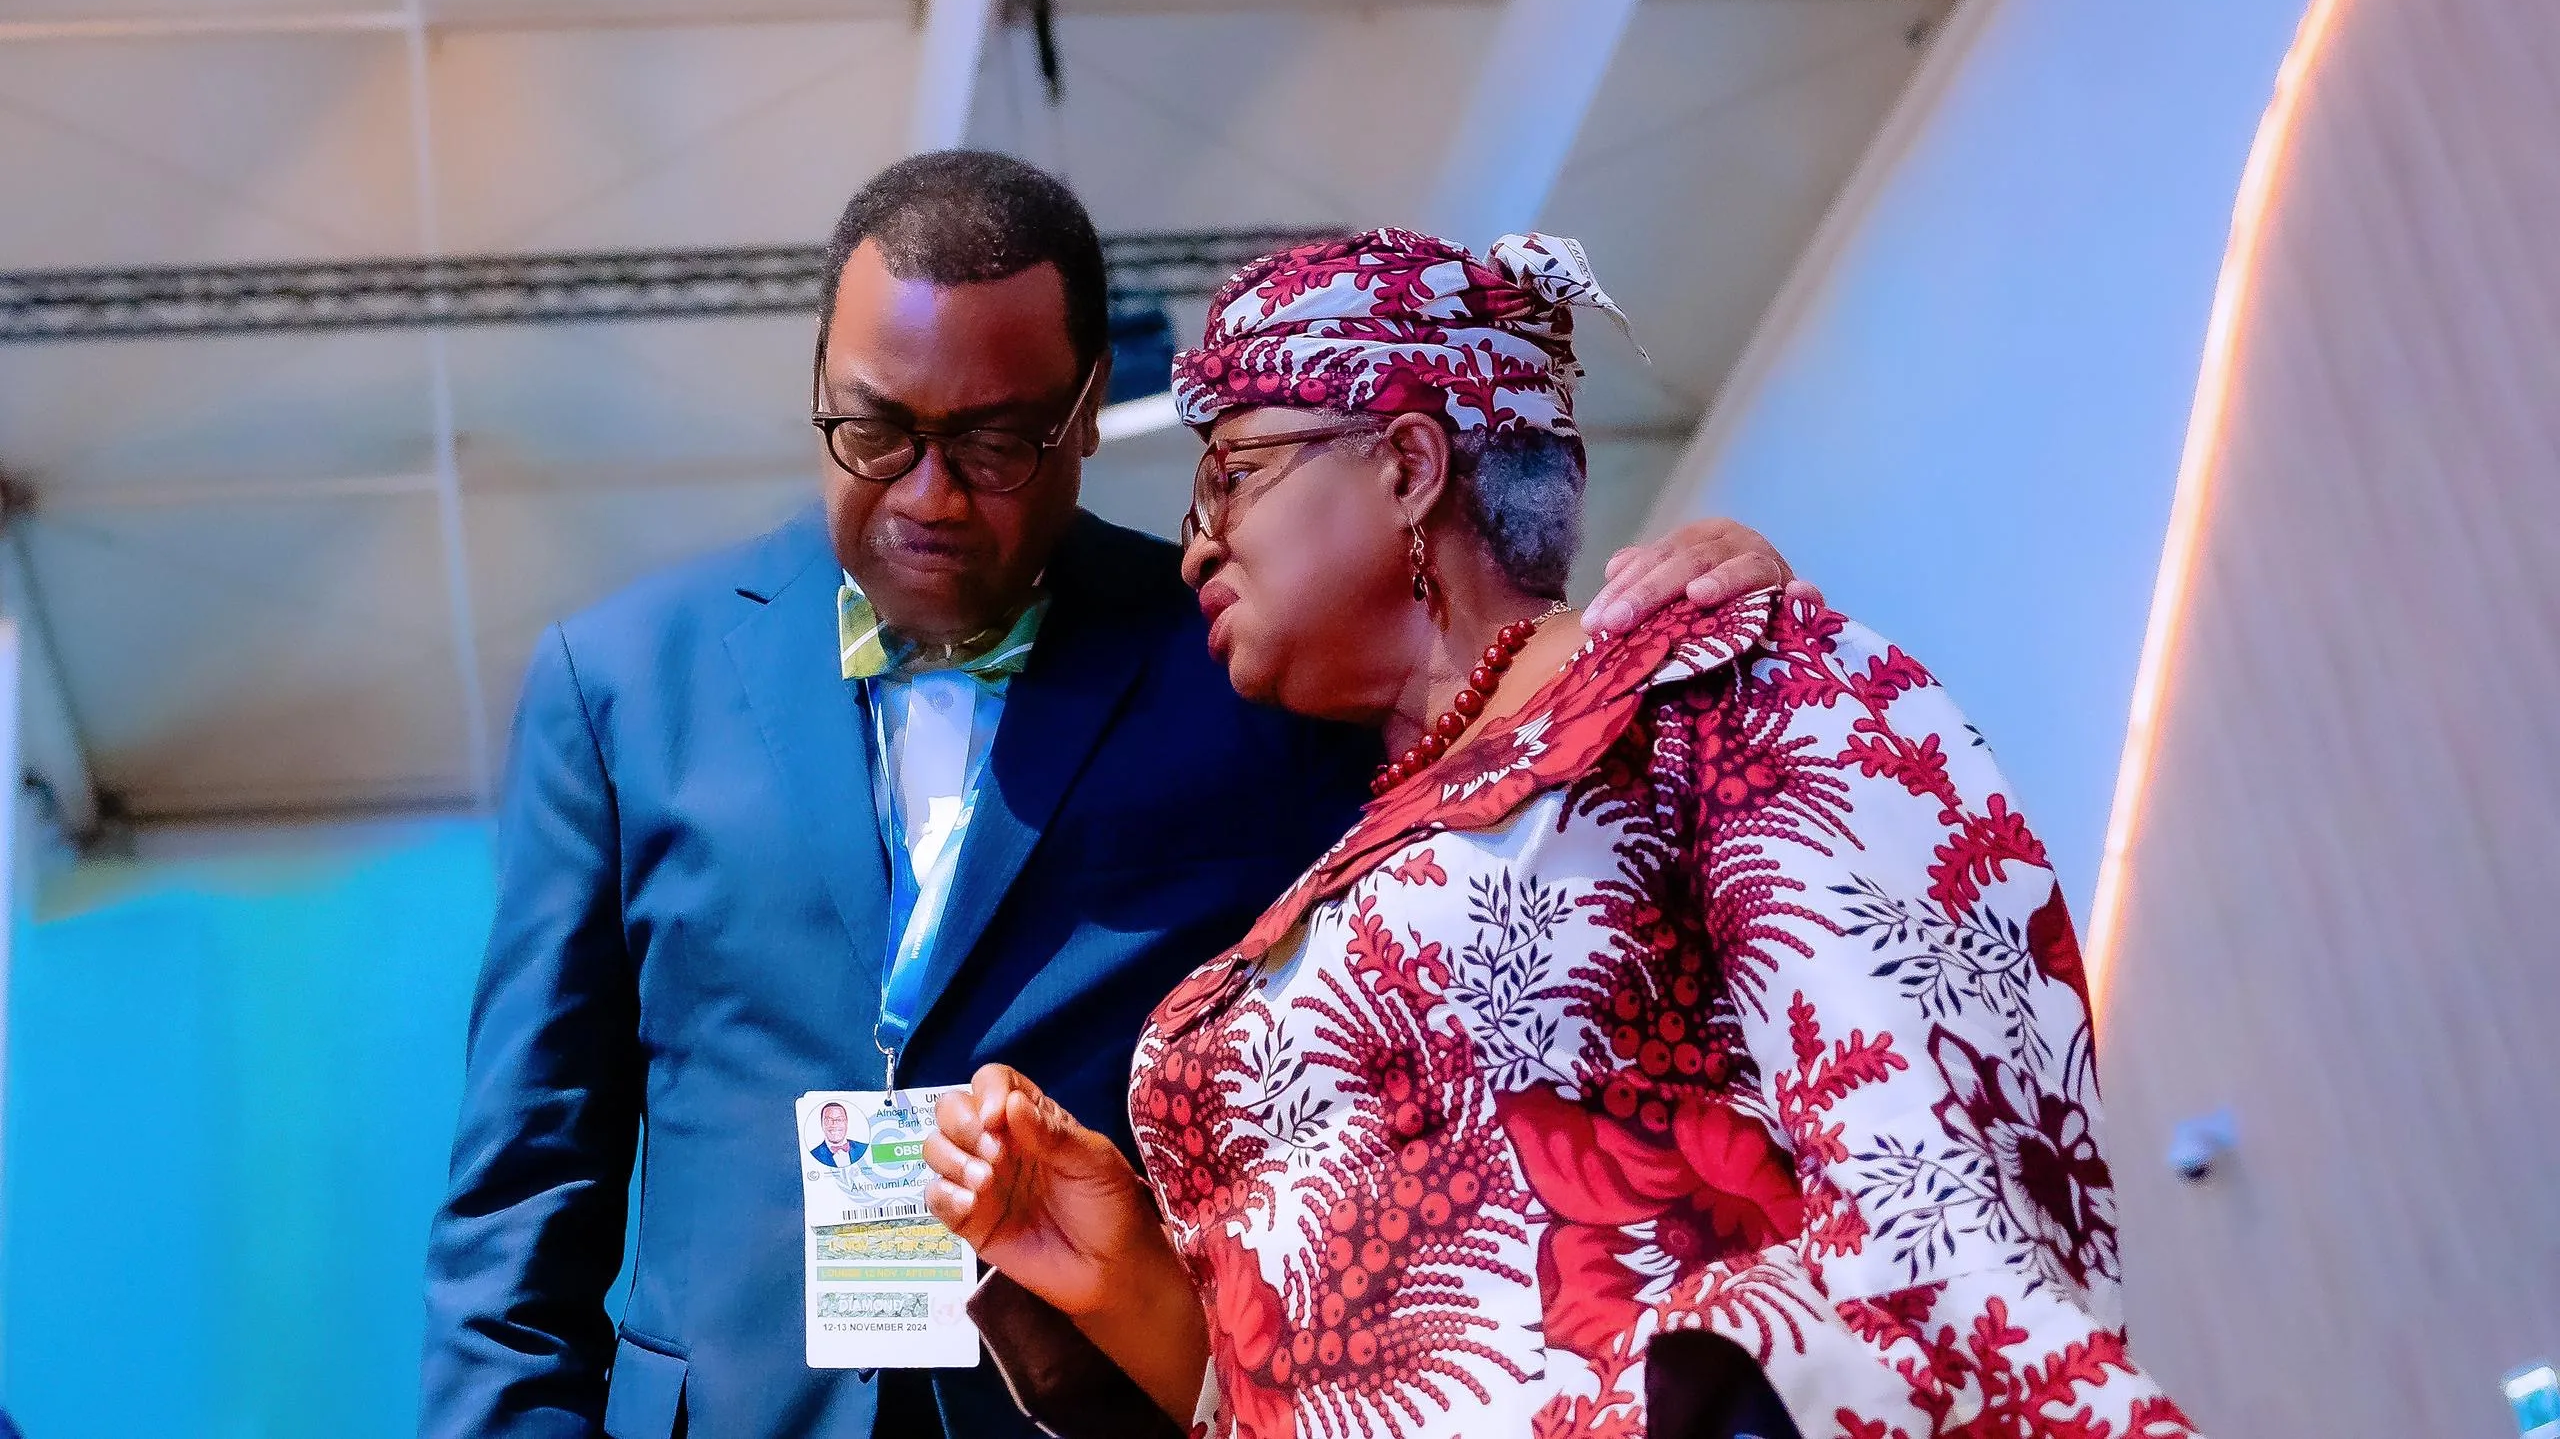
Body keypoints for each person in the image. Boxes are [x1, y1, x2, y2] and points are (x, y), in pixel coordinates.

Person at [418, 156, 1794, 1439]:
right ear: (817, 385)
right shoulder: (618, 683)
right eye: (874, 431)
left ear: (1088, 415)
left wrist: (1667, 623)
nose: (929, 493)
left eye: (996, 443)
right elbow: (529, 1188)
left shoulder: (1240, 655)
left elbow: (1496, 748)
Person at [925, 229, 2200, 1438]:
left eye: (1234, 473)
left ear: (1409, 464)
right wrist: (1128, 1275)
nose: (1196, 542)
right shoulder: (1314, 870)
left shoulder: (1714, 690)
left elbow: (1941, 1202)